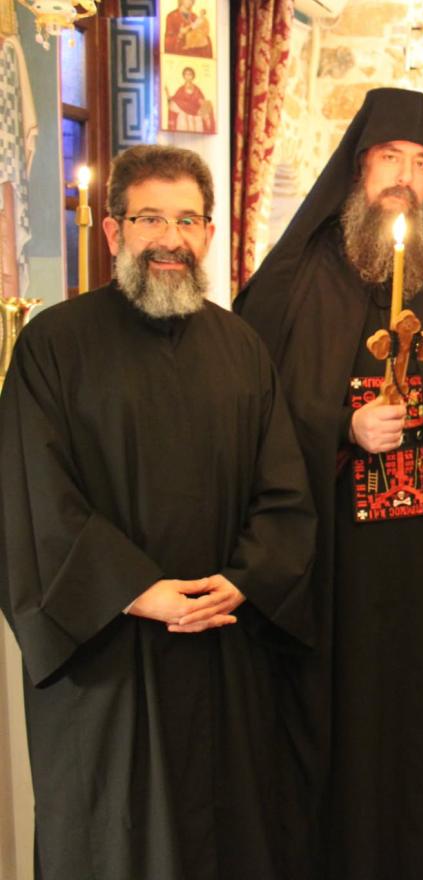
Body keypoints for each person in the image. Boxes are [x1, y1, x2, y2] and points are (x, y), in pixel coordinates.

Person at [0, 144, 317, 880]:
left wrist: (244, 579)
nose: (170, 238)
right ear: (113, 230)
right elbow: (33, 495)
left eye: (187, 220)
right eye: (149, 218)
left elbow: (284, 492)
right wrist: (137, 590)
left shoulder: (240, 347)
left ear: (208, 233)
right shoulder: (54, 345)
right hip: (107, 655)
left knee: (226, 834)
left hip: (222, 645)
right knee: (114, 838)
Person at [235, 88, 423, 880]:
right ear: (359, 166)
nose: (405, 178)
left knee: (420, 705)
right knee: (336, 705)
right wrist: (341, 426)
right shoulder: (297, 277)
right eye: (391, 158)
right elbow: (250, 405)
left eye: (422, 164)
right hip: (333, 549)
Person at [167, 67, 215, 134]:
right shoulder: (181, 89)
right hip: (184, 114)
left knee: (208, 104)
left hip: (195, 112)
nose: (188, 76)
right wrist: (170, 99)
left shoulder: (197, 89)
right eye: (186, 74)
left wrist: (202, 104)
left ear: (193, 76)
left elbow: (201, 100)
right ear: (184, 76)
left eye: (190, 74)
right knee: (173, 104)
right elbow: (176, 99)